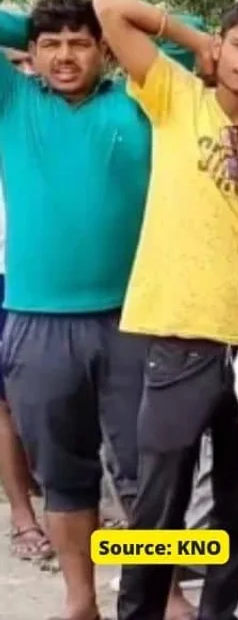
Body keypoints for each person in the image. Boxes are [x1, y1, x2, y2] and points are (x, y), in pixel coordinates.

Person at [93, 0, 238, 620]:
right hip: (179, 336)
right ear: (222, 48)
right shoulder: (175, 97)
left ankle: (216, 613)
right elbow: (108, 7)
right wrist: (200, 42)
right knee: (158, 506)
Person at [0, 0, 153, 620]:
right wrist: (38, 23)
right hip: (37, 322)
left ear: (107, 49)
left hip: (134, 317)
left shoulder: (141, 99)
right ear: (30, 57)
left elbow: (193, 37)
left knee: (150, 473)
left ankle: (159, 592)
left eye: (81, 41)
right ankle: (80, 598)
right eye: (51, 44)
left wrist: (106, 9)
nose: (66, 55)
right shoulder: (15, 104)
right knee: (65, 476)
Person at [0, 41, 50, 566]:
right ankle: (22, 517)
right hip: (5, 282)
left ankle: (142, 558)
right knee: (6, 407)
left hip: (69, 289)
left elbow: (185, 34)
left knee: (110, 418)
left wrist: (45, 26)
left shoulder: (50, 114)